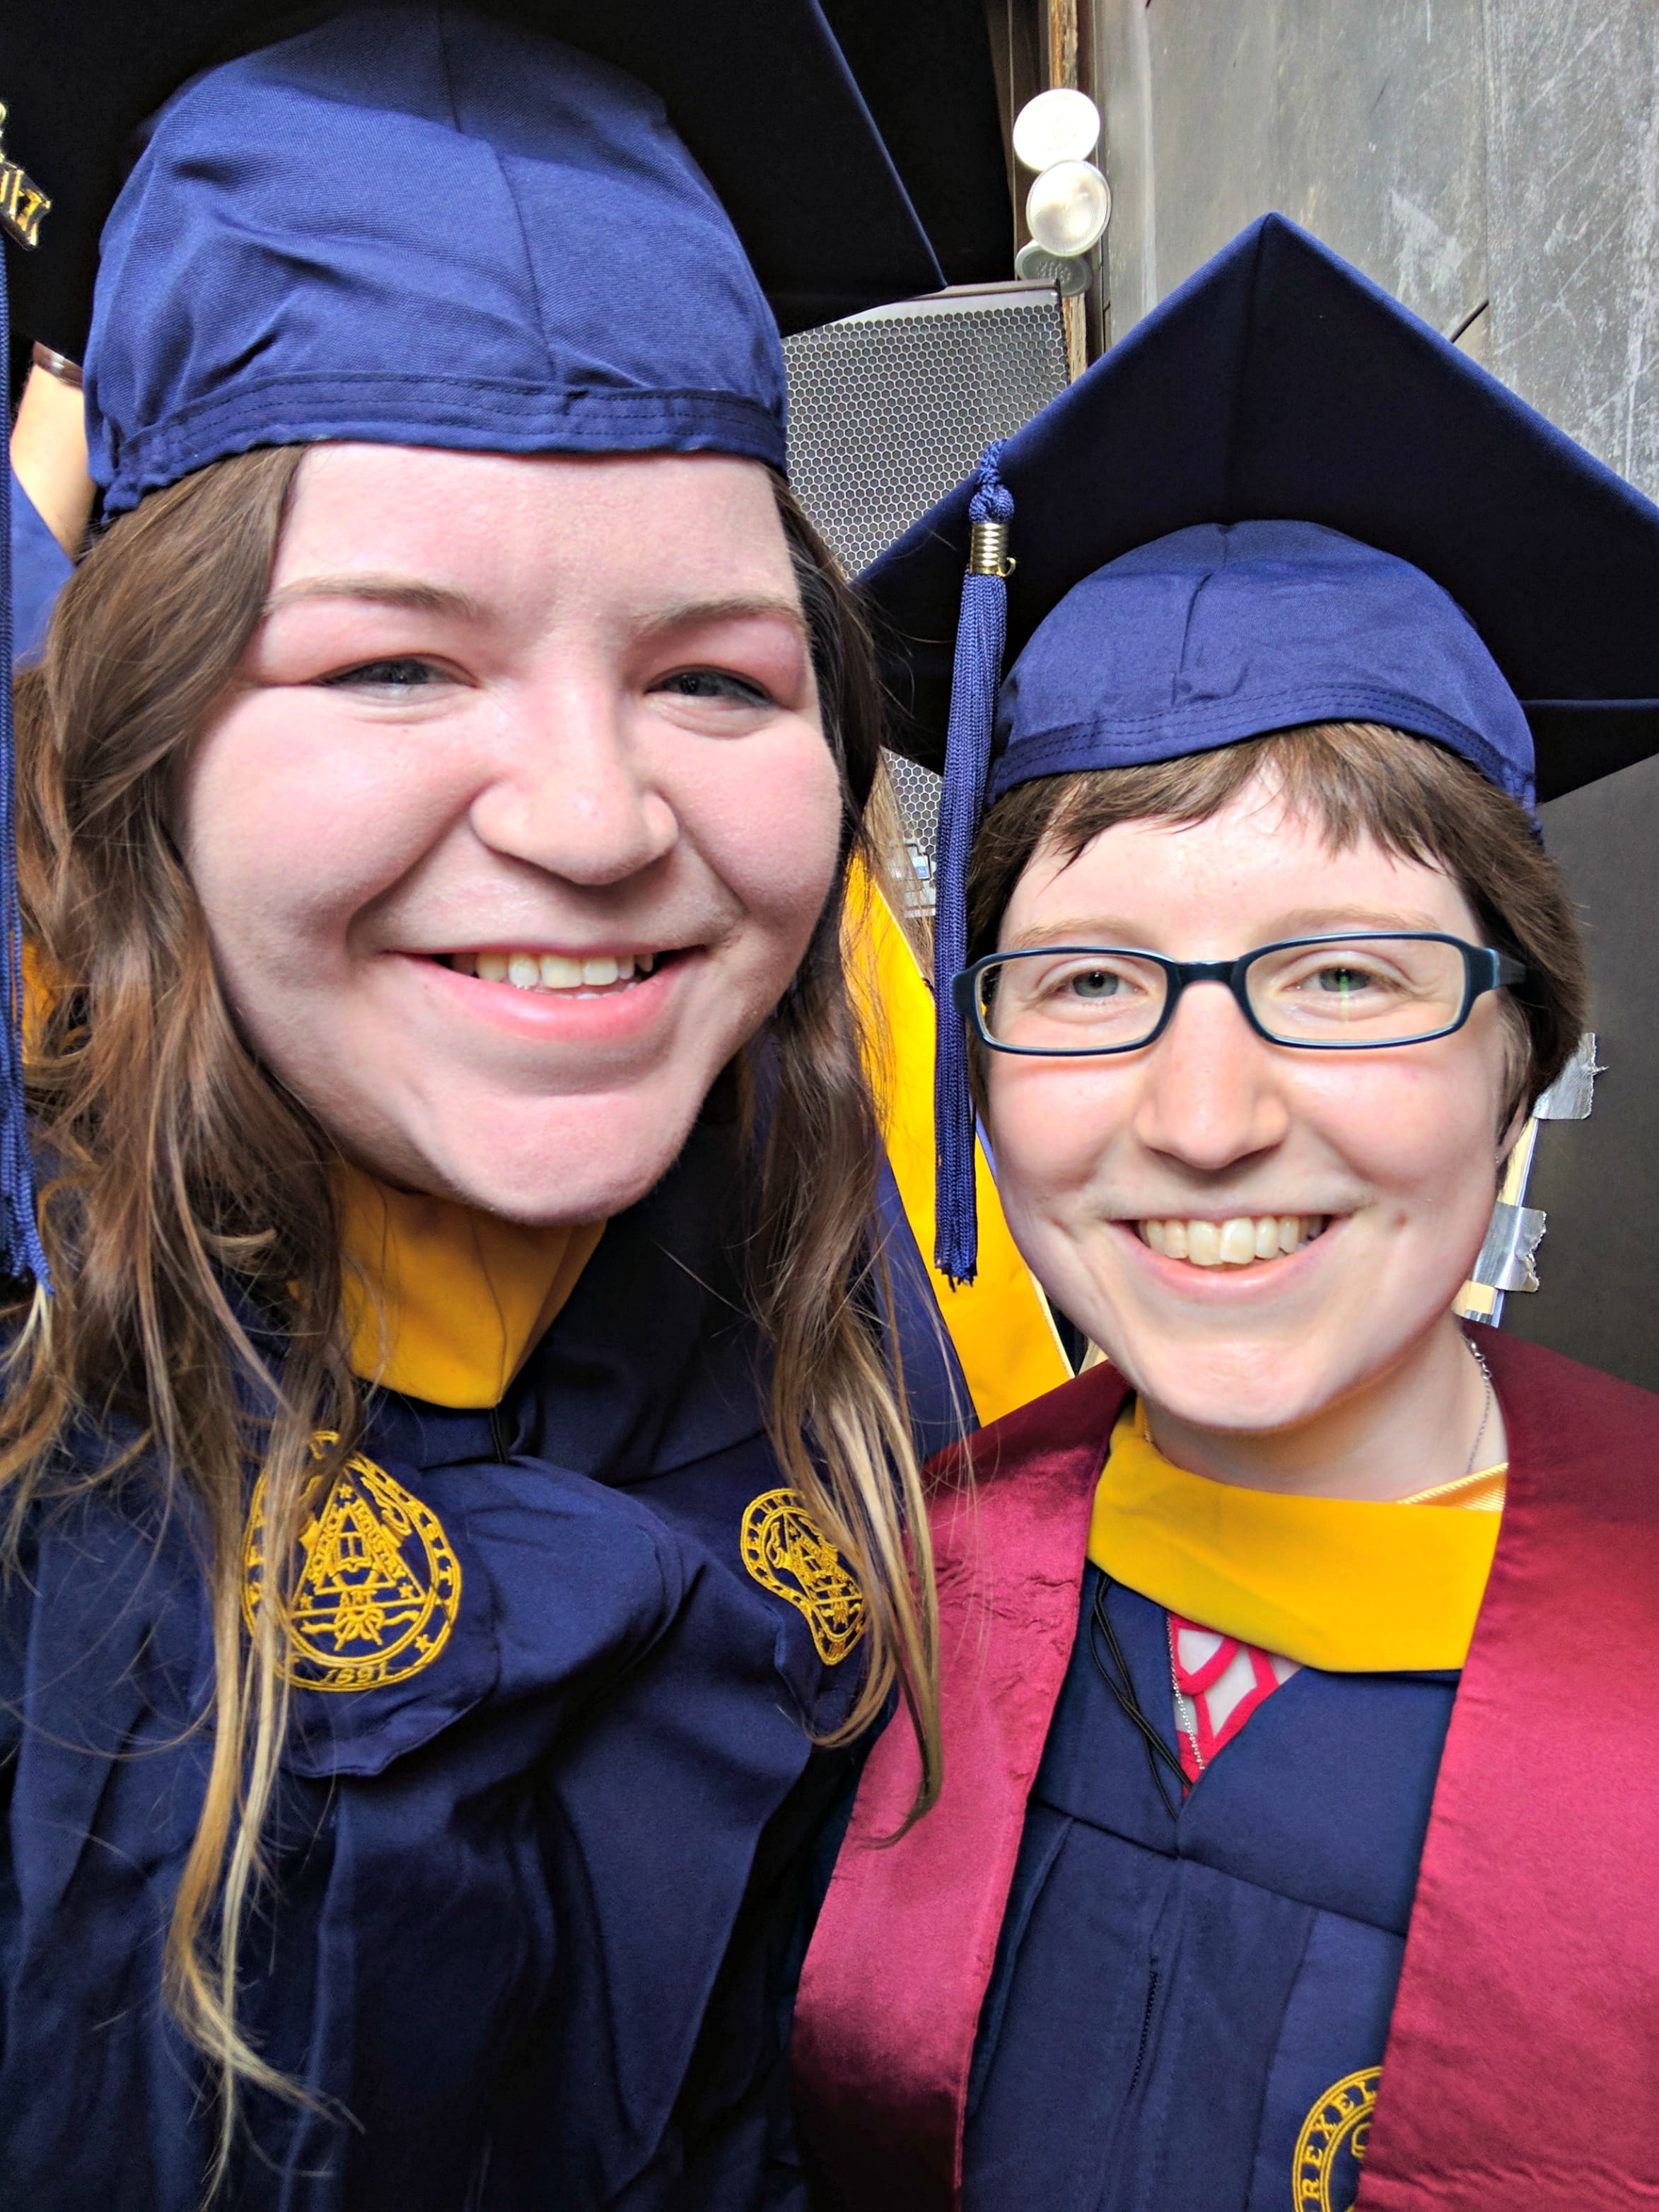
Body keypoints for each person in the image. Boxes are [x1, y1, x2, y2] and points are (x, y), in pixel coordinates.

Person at [0, 10, 1068, 2206]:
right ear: (132, 765)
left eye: (712, 676)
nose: (592, 821)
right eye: (392, 662)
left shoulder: (845, 1309)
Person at [792, 214, 1659, 2212]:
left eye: (1344, 975)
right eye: (1089, 980)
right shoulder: (893, 1601)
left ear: (1520, 1051)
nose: (1202, 1121)